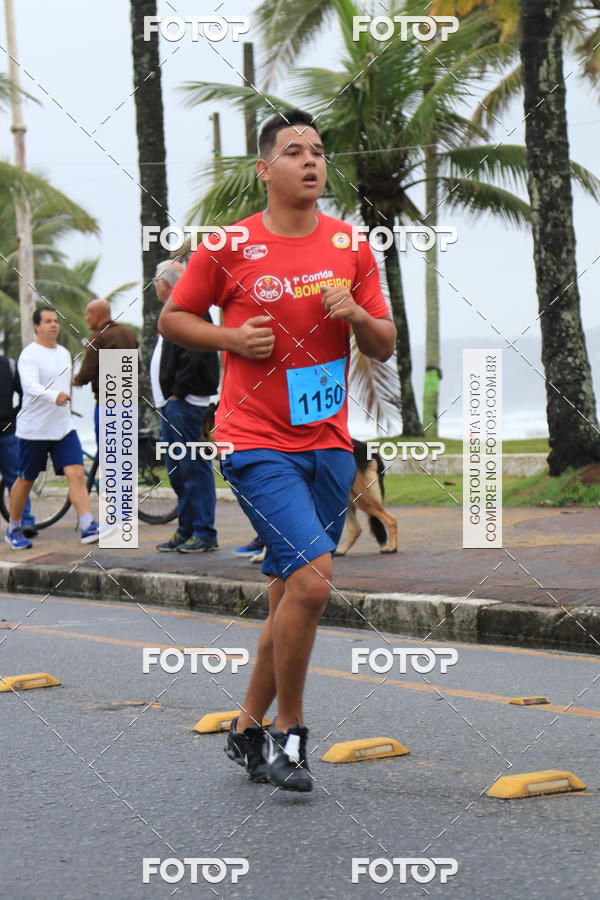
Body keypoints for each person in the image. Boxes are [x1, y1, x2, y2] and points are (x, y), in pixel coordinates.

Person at [159, 108, 396, 792]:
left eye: (318, 150)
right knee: (316, 580)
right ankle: (289, 733)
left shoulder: (350, 244)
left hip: (327, 442)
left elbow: (384, 341)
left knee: (292, 591)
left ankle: (244, 729)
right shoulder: (230, 244)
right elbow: (174, 316)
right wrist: (231, 340)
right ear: (265, 170)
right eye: (294, 151)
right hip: (254, 441)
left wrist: (357, 316)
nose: (310, 160)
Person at [5, 307, 99, 550]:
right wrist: (53, 395)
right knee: (26, 480)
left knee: (76, 473)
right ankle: (14, 527)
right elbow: (30, 386)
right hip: (34, 429)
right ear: (37, 326)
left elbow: (63, 382)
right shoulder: (29, 355)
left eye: (56, 321)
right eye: (47, 321)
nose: (53, 325)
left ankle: (88, 525)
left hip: (63, 427)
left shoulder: (65, 353)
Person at [151, 259, 220, 553]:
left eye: (156, 280)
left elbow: (196, 353)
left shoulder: (192, 309)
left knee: (194, 469)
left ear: (164, 284)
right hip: (173, 406)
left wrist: (179, 393)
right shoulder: (176, 310)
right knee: (178, 470)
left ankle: (204, 533)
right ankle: (187, 529)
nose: (155, 285)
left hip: (186, 405)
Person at [71, 298, 138, 446]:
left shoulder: (98, 337)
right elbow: (137, 366)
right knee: (124, 449)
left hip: (108, 403)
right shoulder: (128, 334)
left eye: (87, 314)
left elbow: (88, 371)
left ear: (96, 315)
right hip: (128, 402)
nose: (86, 318)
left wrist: (76, 380)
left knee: (108, 450)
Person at [0, 354, 37, 537]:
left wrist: (13, 418)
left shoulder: (10, 365)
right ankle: (25, 520)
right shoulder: (10, 363)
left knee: (17, 478)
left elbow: (25, 394)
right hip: (9, 430)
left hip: (8, 433)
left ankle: (25, 521)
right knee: (16, 477)